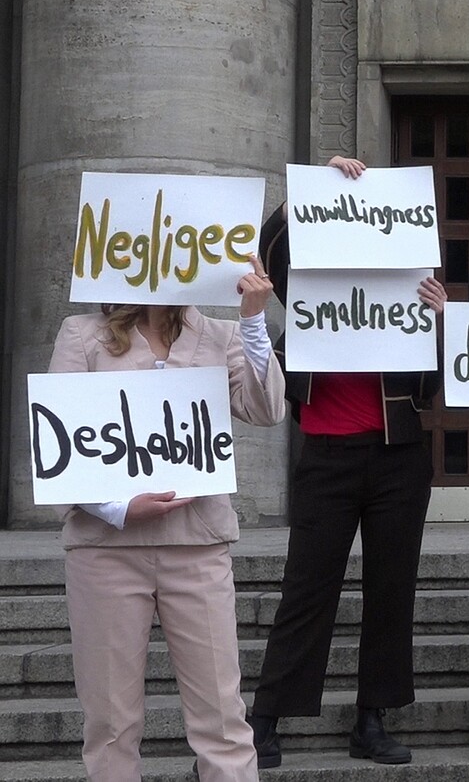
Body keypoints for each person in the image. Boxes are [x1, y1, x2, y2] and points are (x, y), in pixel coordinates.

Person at [50, 258, 286, 782]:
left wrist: (252, 320)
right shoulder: (81, 334)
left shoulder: (221, 334)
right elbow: (56, 441)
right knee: (110, 724)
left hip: (196, 544)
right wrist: (116, 507)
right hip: (105, 548)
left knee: (223, 719)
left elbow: (268, 410)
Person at [247, 155, 447, 767]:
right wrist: (305, 194)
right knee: (307, 587)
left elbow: (432, 387)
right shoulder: (308, 279)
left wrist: (441, 324)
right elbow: (267, 251)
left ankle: (372, 718)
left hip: (398, 456)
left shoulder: (410, 280)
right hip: (327, 451)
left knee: (392, 589)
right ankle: (266, 718)